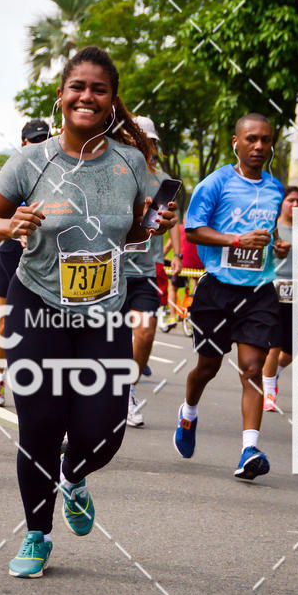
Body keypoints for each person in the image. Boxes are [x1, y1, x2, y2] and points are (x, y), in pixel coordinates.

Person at [0, 46, 176, 577]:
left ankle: (74, 474)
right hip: (37, 302)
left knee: (105, 430)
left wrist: (156, 223)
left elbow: (134, 230)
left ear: (112, 101)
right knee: (38, 422)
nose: (87, 97)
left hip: (102, 311)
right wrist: (10, 226)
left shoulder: (131, 162)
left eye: (99, 89)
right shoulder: (32, 160)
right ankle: (37, 534)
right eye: (77, 87)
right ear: (62, 95)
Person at [173, 113, 290, 480]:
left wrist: (278, 247)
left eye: (266, 140)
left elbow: (268, 236)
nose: (259, 146)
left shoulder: (275, 188)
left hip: (258, 291)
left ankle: (249, 450)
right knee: (207, 366)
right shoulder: (215, 183)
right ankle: (189, 413)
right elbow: (193, 231)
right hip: (217, 290)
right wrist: (235, 240)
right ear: (236, 143)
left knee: (253, 369)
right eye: (252, 139)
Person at [124, 115, 182, 427]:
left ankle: (128, 391)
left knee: (145, 331)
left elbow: (171, 220)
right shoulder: (112, 171)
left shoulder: (162, 180)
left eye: (148, 140)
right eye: (136, 138)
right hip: (110, 271)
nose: (143, 144)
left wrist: (179, 254)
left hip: (145, 270)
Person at [0, 118, 51, 406]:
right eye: (34, 140)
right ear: (24, 142)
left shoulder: (61, 169)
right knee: (6, 321)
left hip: (46, 254)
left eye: (44, 139)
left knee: (45, 326)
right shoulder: (14, 168)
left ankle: (40, 386)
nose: (40, 145)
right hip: (12, 251)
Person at [262, 185, 298, 411]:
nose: (295, 205)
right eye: (291, 201)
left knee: (290, 350)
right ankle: (268, 393)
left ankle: (272, 375)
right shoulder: (273, 227)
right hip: (273, 290)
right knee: (275, 345)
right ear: (283, 203)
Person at [164, 223, 203, 324]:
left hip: (182, 265)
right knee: (196, 285)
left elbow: (168, 246)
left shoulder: (180, 229)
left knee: (172, 288)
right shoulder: (202, 229)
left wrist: (161, 257)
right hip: (199, 266)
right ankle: (194, 310)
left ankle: (173, 316)